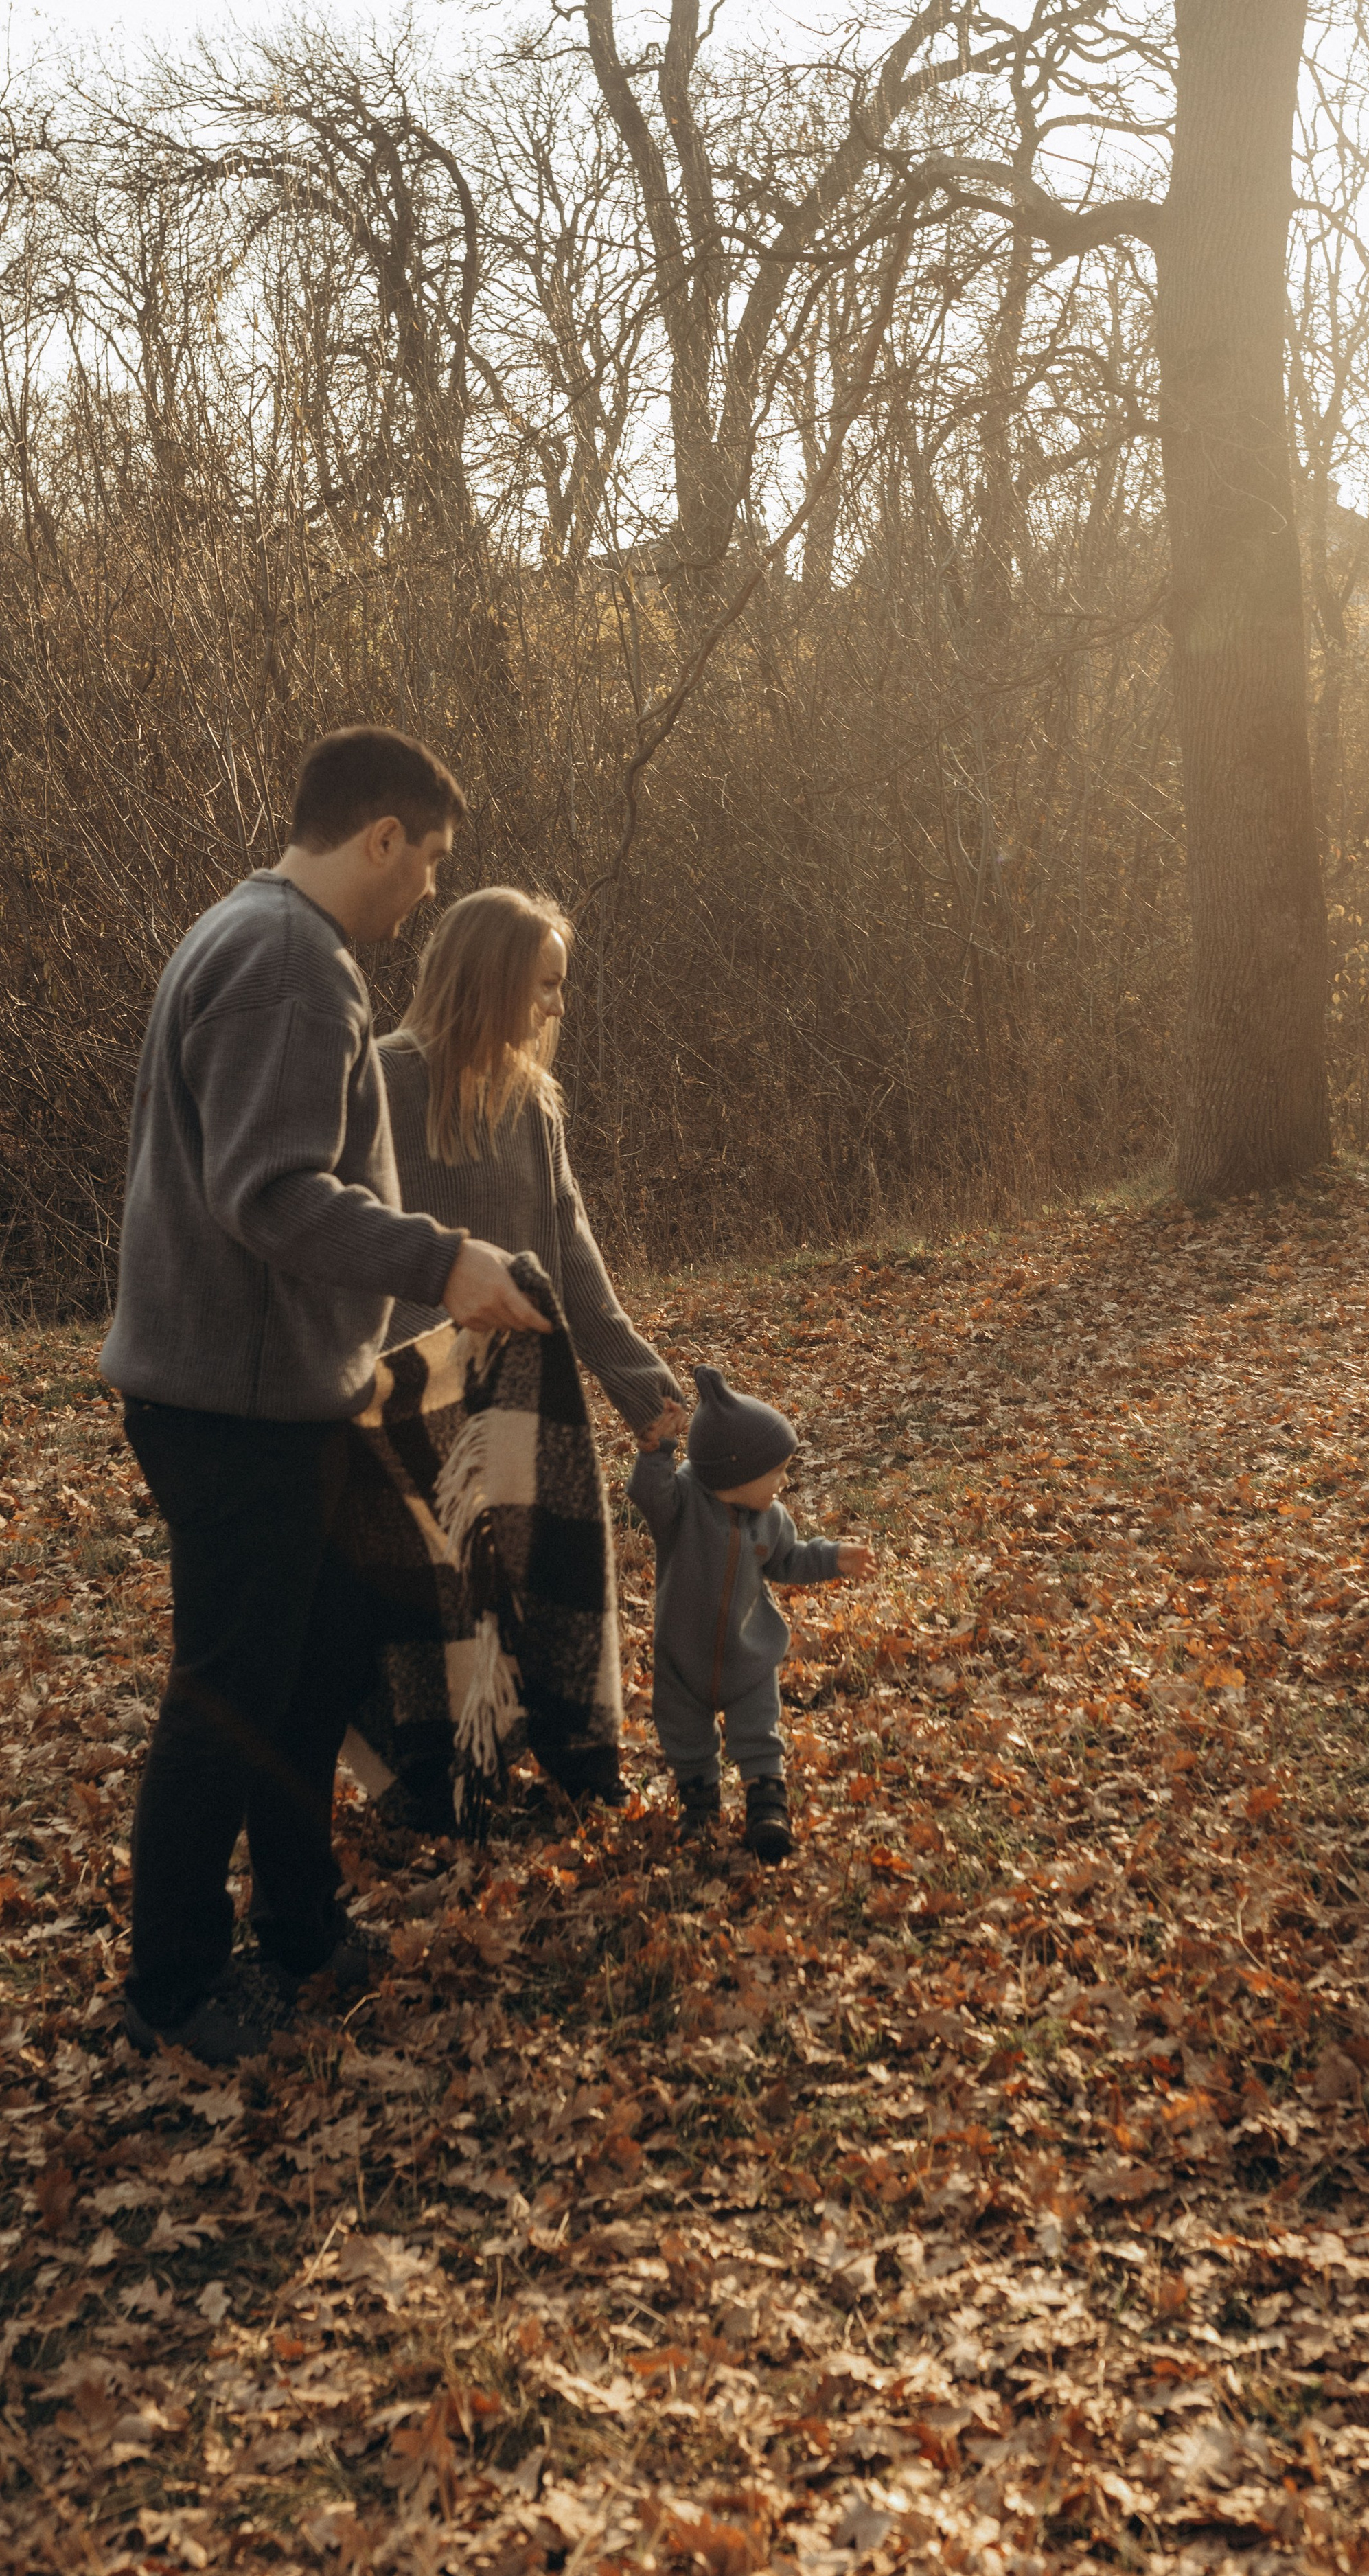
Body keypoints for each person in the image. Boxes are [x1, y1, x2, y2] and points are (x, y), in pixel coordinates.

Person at [101, 727, 552, 2064]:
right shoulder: (291, 963)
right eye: (430, 859)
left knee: (319, 1659)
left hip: (281, 1396)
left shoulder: (249, 934)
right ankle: (173, 1988)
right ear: (380, 837)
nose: (430, 888)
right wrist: (445, 1262)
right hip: (235, 1410)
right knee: (231, 1689)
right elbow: (272, 1195)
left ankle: (299, 1925)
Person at [373, 887, 686, 1819]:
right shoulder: (380, 1081)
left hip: (522, 1391)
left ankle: (577, 1755)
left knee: (552, 1573)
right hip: (405, 1392)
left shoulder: (534, 1103)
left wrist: (646, 1391)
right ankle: (435, 1778)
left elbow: (573, 1260)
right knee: (433, 1601)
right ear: (492, 976)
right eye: (545, 984)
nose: (557, 1006)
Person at [629, 1365, 874, 1861]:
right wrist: (657, 1450)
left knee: (758, 1732)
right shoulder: (681, 1508)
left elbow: (788, 1561)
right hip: (682, 1657)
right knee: (685, 1737)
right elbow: (648, 1495)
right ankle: (699, 1807)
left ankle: (768, 1807)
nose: (784, 1482)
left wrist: (832, 1558)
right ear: (734, 1473)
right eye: (776, 1473)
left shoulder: (771, 1519)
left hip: (750, 1653)